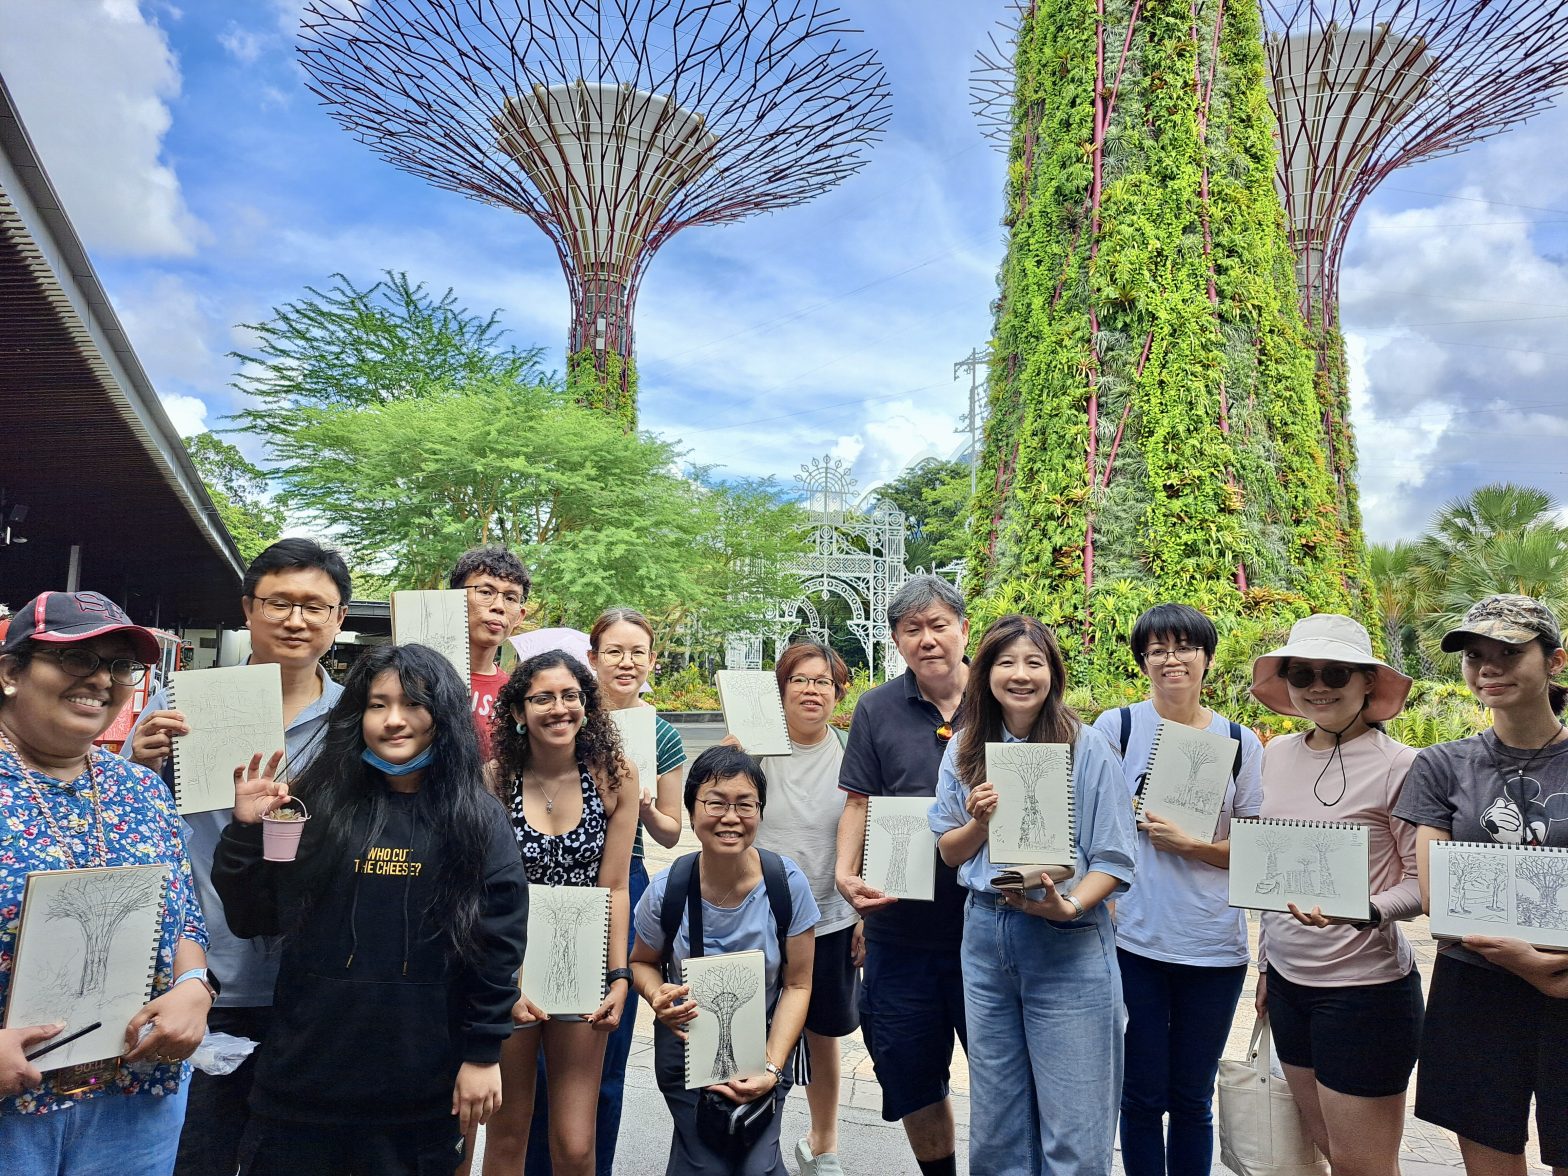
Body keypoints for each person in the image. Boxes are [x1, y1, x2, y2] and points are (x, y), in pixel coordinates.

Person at [214, 643, 528, 1175]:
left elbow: (497, 945)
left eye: (413, 704)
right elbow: (254, 917)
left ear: (443, 714)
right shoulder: (315, 804)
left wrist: (482, 1054)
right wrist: (247, 832)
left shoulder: (476, 818)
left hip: (419, 1089)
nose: (394, 721)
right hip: (304, 1081)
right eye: (377, 704)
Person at [123, 537, 351, 1176]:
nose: (296, 620)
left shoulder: (358, 721)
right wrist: (136, 762)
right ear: (248, 609)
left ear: (338, 619)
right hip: (199, 975)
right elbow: (128, 826)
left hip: (311, 975)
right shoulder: (181, 703)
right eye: (279, 602)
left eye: (315, 606)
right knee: (195, 1152)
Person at [0, 591, 213, 1174]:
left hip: (133, 1098)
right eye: (77, 659)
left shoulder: (140, 789)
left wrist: (195, 987)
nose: (101, 679)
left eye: (119, 665)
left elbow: (184, 919)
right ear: (11, 672)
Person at [928, 614, 1135, 1173]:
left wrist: (1068, 907)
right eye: (1006, 662)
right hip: (985, 935)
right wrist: (980, 821)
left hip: (1067, 940)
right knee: (997, 1125)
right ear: (986, 673)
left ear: (1053, 673)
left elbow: (1116, 859)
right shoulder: (967, 748)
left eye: (1034, 663)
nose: (1020, 675)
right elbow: (950, 851)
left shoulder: (1087, 746)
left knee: (1075, 1124)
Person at [1393, 594, 1568, 1176]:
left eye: (1509, 653)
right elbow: (1443, 899)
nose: (1488, 667)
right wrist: (1524, 962)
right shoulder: (1441, 765)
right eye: (1475, 655)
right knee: (1490, 1158)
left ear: (1555, 661)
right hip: (1478, 985)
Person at [1091, 603, 1263, 1176]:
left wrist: (1192, 845)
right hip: (1134, 941)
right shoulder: (1115, 728)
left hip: (1213, 946)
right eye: (1159, 649)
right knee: (1138, 1097)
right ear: (1143, 660)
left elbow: (1256, 852)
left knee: (1192, 1099)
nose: (1173, 659)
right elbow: (1087, 826)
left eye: (1186, 647)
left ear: (1207, 659)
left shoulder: (1240, 742)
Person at [1249, 614, 1423, 1176]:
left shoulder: (1400, 765)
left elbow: (1423, 883)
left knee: (1364, 1164)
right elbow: (1269, 871)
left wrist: (1368, 910)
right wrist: (1267, 967)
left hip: (1364, 991)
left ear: (1368, 681)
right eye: (1301, 673)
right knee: (1326, 1148)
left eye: (1335, 673)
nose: (1316, 685)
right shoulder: (1273, 755)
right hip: (1292, 987)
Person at [479, 651, 638, 1176]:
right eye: (542, 698)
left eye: (570, 695)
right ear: (519, 712)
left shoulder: (614, 777)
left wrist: (618, 976)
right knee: (507, 1136)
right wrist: (502, 980)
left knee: (574, 1144)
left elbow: (614, 885)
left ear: (587, 706)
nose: (558, 708)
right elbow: (480, 892)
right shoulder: (494, 780)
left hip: (583, 970)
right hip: (509, 971)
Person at [833, 576, 969, 1176]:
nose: (928, 640)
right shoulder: (876, 706)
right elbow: (859, 801)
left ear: (963, 628)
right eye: (912, 630)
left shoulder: (998, 698)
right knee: (910, 1071)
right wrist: (844, 875)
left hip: (986, 925)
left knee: (1003, 1068)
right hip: (900, 925)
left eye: (938, 625)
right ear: (896, 640)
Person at [630, 745, 818, 1176]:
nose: (730, 817)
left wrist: (771, 1067)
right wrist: (657, 993)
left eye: (745, 804)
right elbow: (642, 962)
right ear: (693, 811)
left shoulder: (786, 885)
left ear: (760, 811)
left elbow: (798, 984)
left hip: (766, 1050)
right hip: (686, 1054)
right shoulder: (668, 888)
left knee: (756, 1167)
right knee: (707, 1165)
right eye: (715, 802)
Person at [742, 640, 860, 1176]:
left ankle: (823, 1143)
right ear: (781, 689)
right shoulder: (755, 749)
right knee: (748, 1027)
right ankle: (747, 1135)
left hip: (831, 918)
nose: (813, 691)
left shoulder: (853, 753)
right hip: (756, 916)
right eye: (801, 680)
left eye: (824, 682)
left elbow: (870, 835)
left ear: (838, 693)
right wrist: (731, 757)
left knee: (823, 1033)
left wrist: (863, 917)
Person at [450, 545, 532, 758]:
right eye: (486, 592)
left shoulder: (518, 695)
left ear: (520, 617)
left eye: (511, 598)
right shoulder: (417, 680)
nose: (499, 606)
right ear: (453, 599)